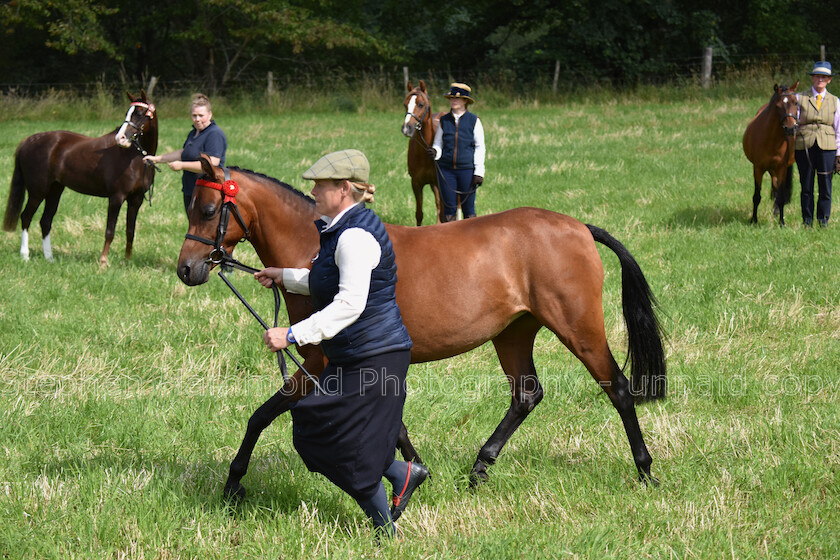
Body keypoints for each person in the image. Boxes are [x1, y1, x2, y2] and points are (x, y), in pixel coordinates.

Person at [254, 149, 428, 538]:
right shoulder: (341, 228)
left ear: (344, 189)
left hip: (377, 357)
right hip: (356, 355)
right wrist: (284, 275)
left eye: (320, 185)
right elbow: (328, 279)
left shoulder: (355, 237)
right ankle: (402, 475)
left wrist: (293, 334)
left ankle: (387, 527)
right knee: (317, 427)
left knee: (331, 438)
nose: (313, 190)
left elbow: (350, 303)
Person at [143, 93, 227, 213]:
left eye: (201, 115)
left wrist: (182, 165)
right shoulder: (194, 133)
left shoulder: (214, 134)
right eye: (194, 115)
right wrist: (157, 159)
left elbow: (212, 164)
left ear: (210, 114)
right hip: (191, 188)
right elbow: (184, 153)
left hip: (208, 191)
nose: (197, 119)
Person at [428, 82, 486, 221]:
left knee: (469, 210)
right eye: (452, 98)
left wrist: (479, 171)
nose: (453, 101)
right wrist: (436, 152)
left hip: (467, 170)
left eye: (457, 98)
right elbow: (438, 143)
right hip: (446, 171)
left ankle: (470, 240)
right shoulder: (444, 120)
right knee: (449, 209)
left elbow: (480, 147)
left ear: (465, 101)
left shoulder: (474, 121)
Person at [795, 61, 840, 227]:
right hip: (804, 146)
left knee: (825, 187)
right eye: (817, 76)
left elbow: (839, 128)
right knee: (806, 186)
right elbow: (793, 124)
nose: (820, 79)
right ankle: (807, 221)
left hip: (827, 147)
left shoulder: (836, 101)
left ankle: (823, 221)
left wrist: (839, 153)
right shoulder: (800, 98)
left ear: (829, 80)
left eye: (824, 77)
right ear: (812, 78)